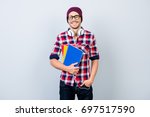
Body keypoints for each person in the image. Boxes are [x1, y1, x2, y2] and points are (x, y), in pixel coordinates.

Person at [49, 7, 99, 100]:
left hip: (85, 82)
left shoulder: (90, 36)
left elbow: (95, 59)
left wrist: (91, 80)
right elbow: (52, 60)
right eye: (70, 17)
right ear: (67, 20)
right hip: (66, 83)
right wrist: (67, 69)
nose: (74, 19)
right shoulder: (61, 37)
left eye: (76, 16)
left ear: (81, 18)